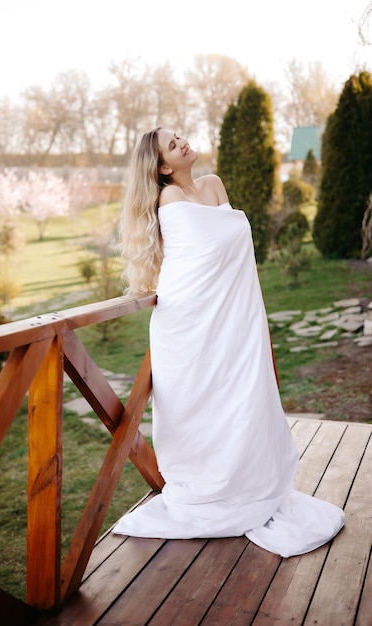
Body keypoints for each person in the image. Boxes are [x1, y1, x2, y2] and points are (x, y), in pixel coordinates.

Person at [113, 127, 345, 557]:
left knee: (243, 398)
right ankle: (213, 485)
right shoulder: (170, 201)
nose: (182, 141)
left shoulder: (214, 184)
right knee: (208, 402)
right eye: (171, 144)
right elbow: (198, 258)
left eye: (179, 135)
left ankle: (250, 482)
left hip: (237, 314)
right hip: (194, 321)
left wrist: (253, 310)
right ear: (163, 167)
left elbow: (235, 252)